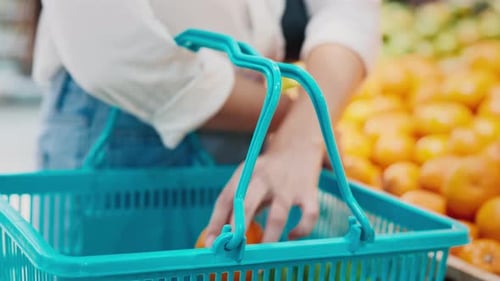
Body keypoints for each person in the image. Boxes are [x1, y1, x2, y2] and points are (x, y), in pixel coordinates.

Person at [32, 0, 381, 246]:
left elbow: (348, 9)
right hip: (122, 112)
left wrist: (301, 134)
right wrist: (300, 121)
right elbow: (111, 54)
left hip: (257, 120)